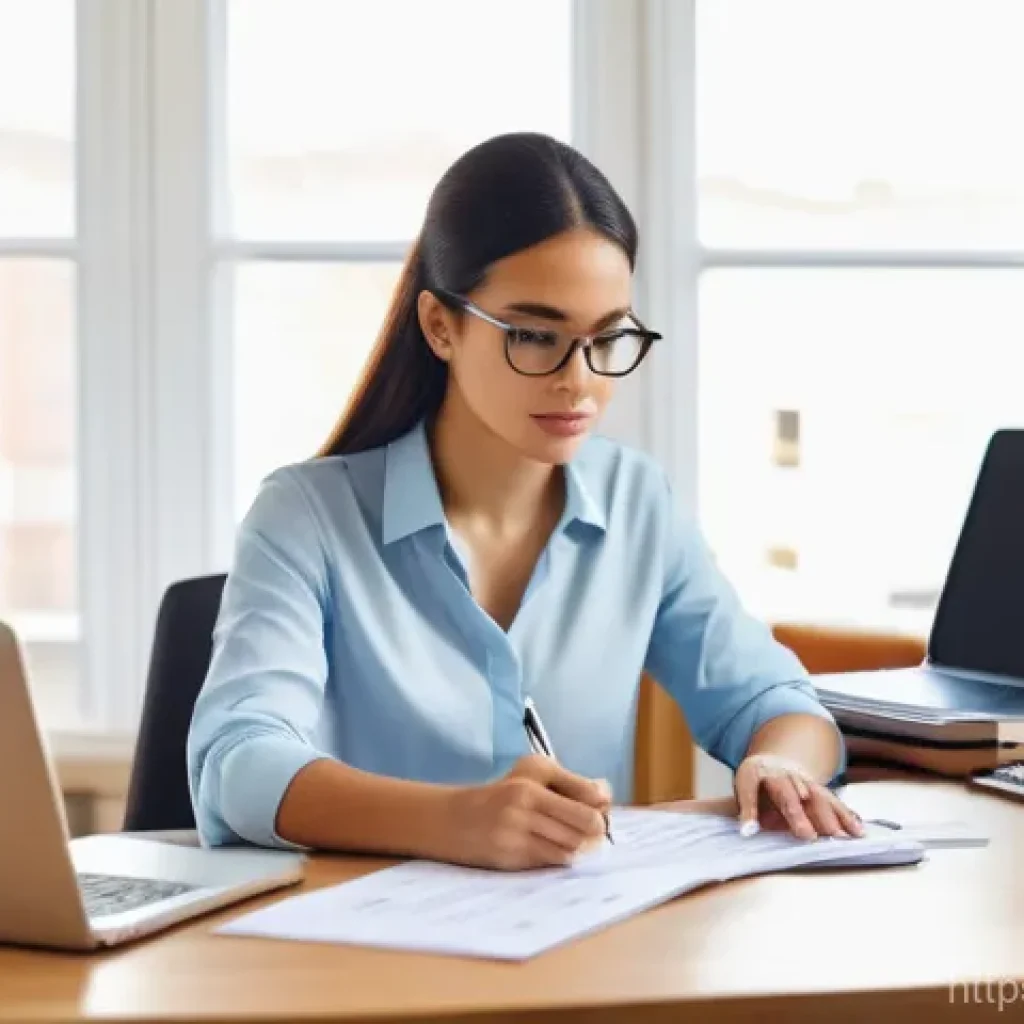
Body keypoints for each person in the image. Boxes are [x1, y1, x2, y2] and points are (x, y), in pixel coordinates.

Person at [187, 132, 863, 870]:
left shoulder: (637, 503)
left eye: (607, 338)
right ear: (441, 327)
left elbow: (778, 704)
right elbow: (237, 766)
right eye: (536, 336)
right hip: (361, 957)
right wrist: (453, 821)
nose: (578, 380)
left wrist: (780, 765)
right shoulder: (305, 517)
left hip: (574, 947)